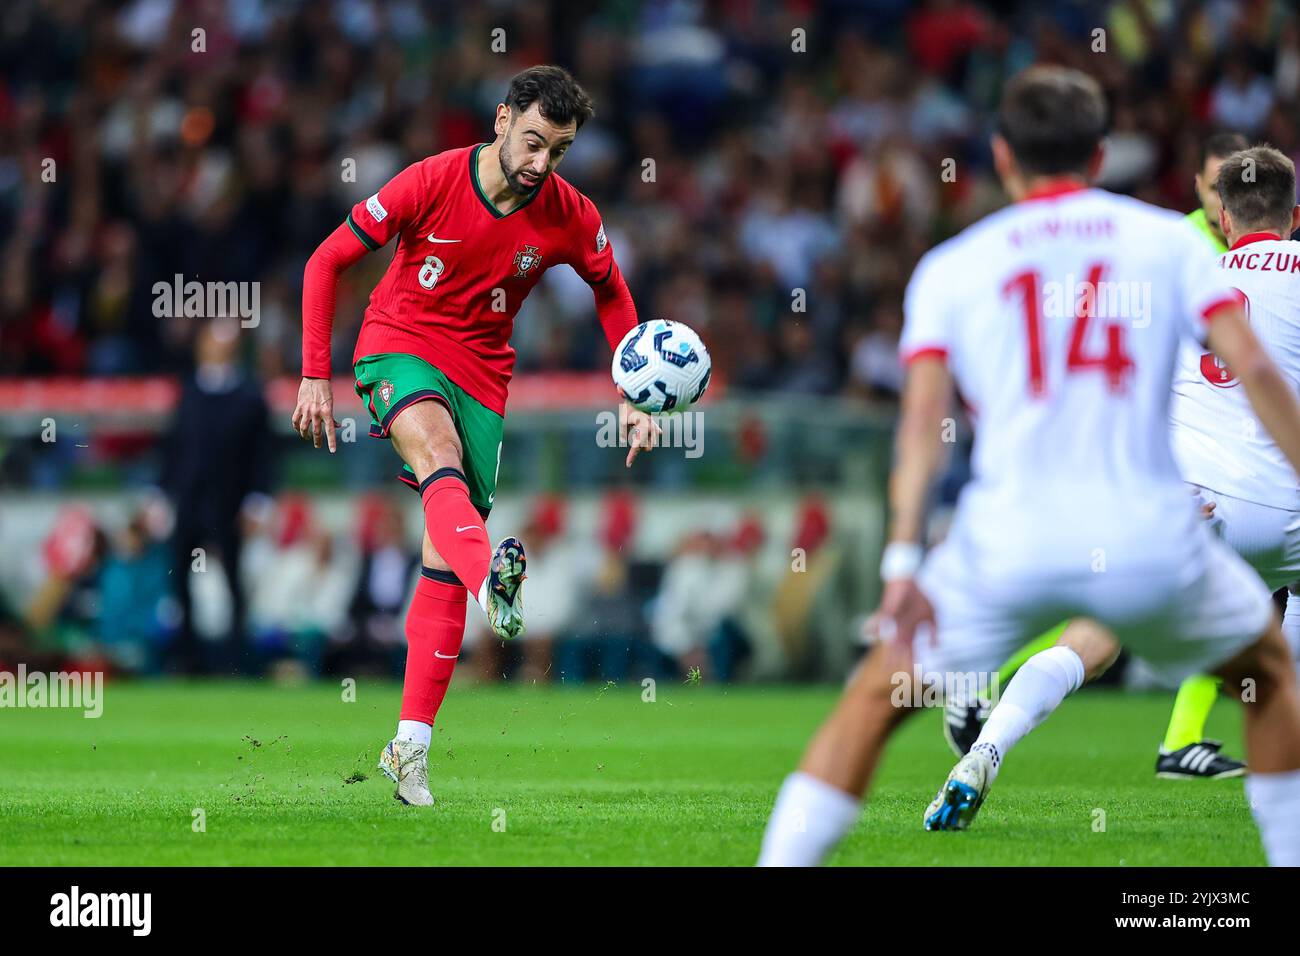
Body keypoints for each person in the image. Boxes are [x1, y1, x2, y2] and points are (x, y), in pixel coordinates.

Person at [757, 66, 1300, 867]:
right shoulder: (1166, 247)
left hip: (1008, 530)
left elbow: (921, 428)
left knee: (873, 702)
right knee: (1269, 679)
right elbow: (1253, 369)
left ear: (1003, 155)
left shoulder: (952, 266)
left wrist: (903, 560)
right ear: (1103, 153)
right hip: (1148, 526)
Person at [293, 65, 660, 806]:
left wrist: (633, 387)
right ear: (501, 121)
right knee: (438, 454)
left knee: (439, 554)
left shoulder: (569, 215)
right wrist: (311, 373)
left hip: (484, 377)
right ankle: (492, 582)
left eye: (557, 151)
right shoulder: (427, 181)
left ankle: (410, 749)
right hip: (398, 344)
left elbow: (612, 291)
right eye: (531, 143)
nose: (539, 164)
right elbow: (326, 259)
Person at [928, 145, 1300, 818]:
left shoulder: (1187, 278)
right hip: (1291, 511)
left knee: (1090, 641)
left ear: (1220, 213)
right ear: (1294, 216)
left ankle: (986, 750)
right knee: (1276, 669)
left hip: (1197, 507)